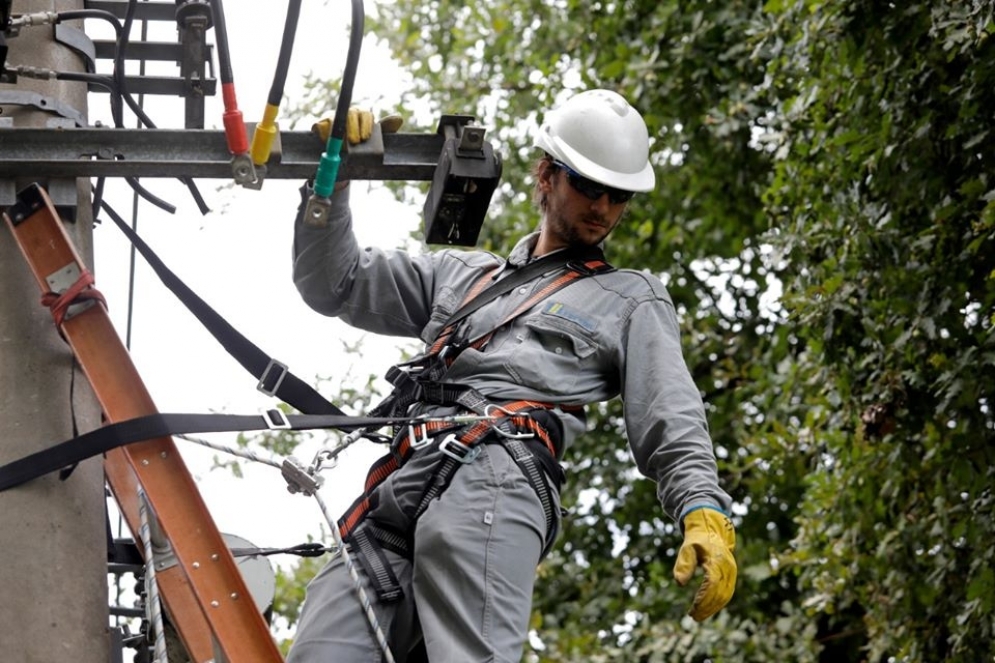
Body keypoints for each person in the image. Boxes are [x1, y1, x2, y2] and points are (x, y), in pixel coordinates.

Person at [286, 89, 737, 663]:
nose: (603, 207)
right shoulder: (461, 276)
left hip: (496, 477)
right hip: (398, 487)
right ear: (547, 175)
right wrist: (333, 182)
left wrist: (702, 509)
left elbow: (669, 411)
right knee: (320, 651)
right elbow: (336, 283)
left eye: (618, 195)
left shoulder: (629, 298)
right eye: (588, 186)